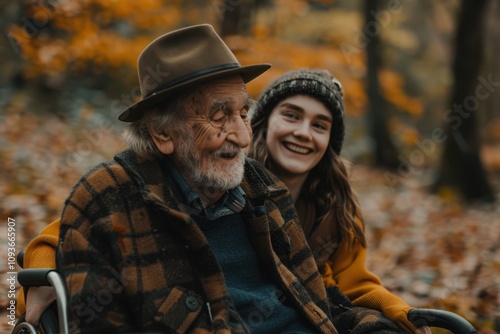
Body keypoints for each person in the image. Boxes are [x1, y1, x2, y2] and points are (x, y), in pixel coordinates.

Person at [15, 24, 403, 333]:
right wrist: (39, 274)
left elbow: (320, 300)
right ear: (162, 134)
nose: (242, 135)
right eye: (220, 117)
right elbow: (65, 237)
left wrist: (385, 323)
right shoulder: (109, 201)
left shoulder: (265, 189)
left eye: (243, 113)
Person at [248, 69, 431, 334]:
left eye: (319, 125)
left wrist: (395, 307)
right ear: (264, 122)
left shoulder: (337, 208)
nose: (303, 132)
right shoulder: (231, 189)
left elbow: (351, 283)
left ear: (330, 142)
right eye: (291, 115)